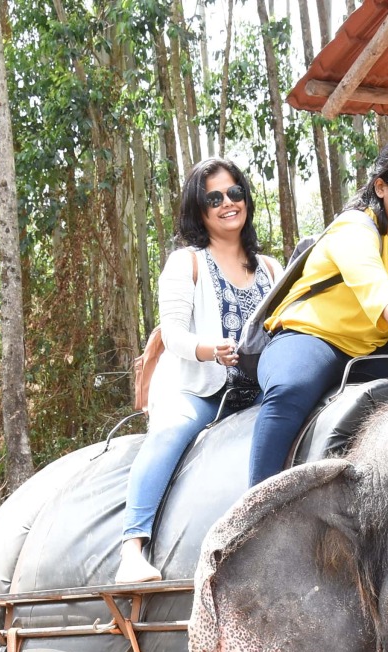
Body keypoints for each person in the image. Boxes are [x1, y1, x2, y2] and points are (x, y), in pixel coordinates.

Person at [248, 136, 388, 486]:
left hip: (370, 349)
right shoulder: (353, 227)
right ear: (381, 187)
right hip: (312, 337)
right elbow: (378, 292)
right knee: (290, 390)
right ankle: (258, 504)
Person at [120, 159, 280, 583]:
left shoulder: (270, 268)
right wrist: (211, 350)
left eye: (235, 193)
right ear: (199, 209)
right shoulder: (186, 263)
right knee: (170, 432)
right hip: (200, 390)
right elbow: (172, 333)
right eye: (214, 198)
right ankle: (131, 549)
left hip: (261, 391)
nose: (228, 203)